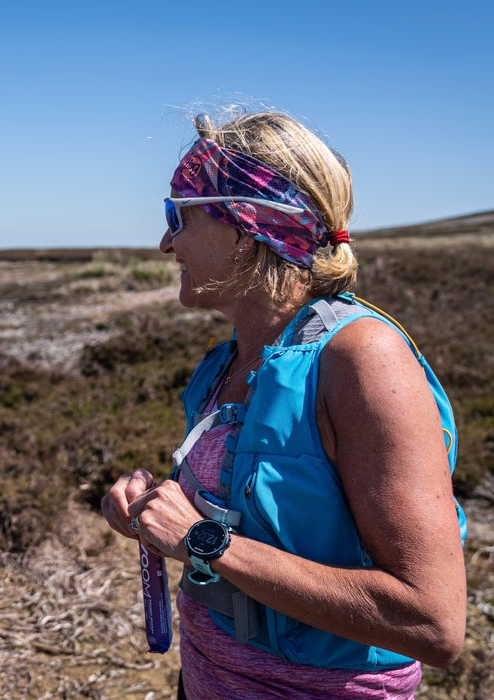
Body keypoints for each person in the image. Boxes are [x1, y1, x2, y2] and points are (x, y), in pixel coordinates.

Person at [101, 110, 466, 698]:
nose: (166, 242)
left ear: (246, 227)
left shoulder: (362, 359)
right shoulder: (228, 364)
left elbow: (433, 623)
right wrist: (155, 510)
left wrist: (201, 541)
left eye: (180, 215)